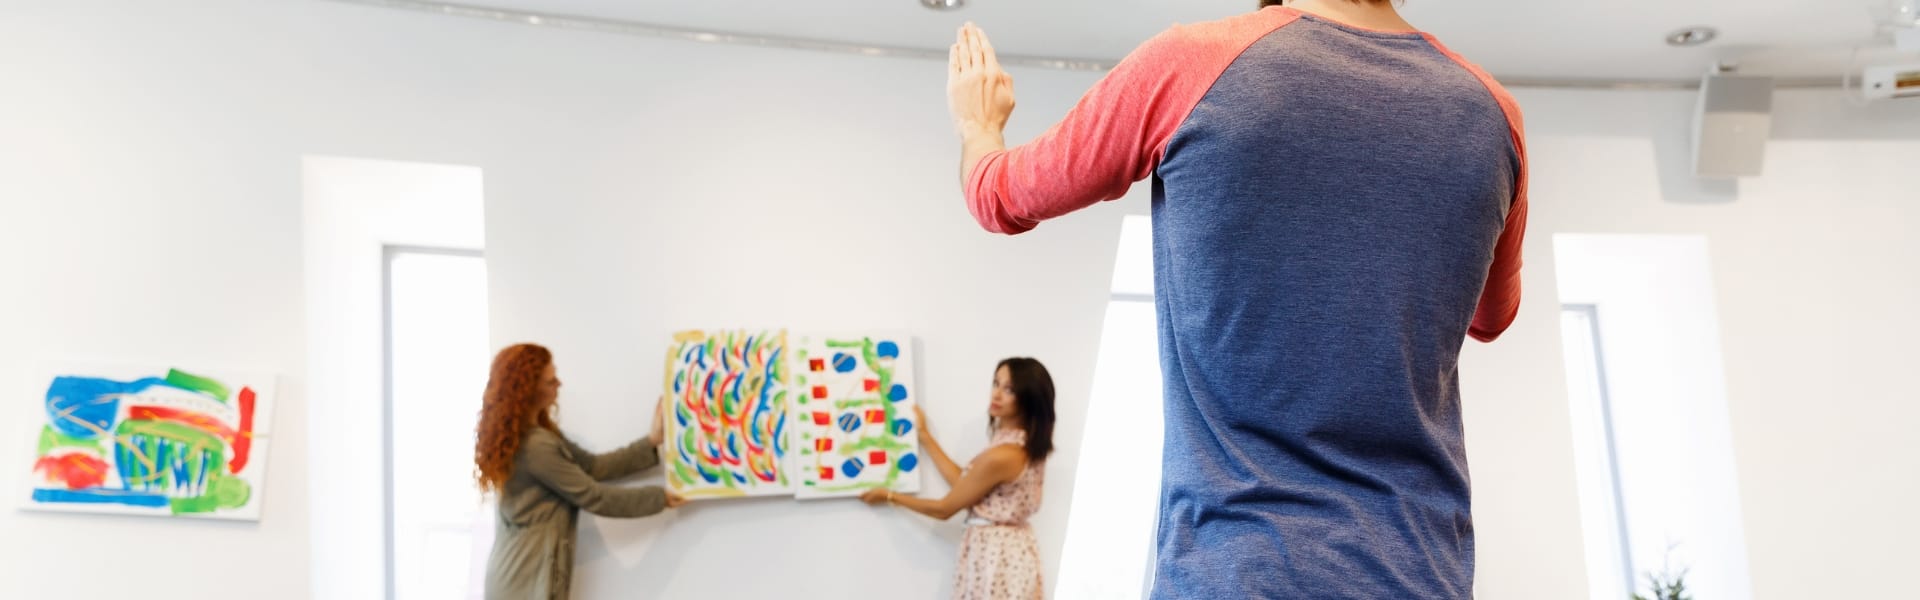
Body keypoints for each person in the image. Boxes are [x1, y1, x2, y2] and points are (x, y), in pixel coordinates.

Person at [943, 0, 1529, 597]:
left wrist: (976, 125)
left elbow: (1000, 195)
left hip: (1236, 570)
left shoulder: (1193, 63)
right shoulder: (1493, 114)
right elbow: (1492, 314)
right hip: (1421, 571)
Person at [476, 343, 688, 599]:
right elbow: (594, 496)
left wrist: (652, 441)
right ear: (528, 390)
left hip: (520, 576)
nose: (559, 384)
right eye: (550, 381)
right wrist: (660, 498)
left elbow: (593, 467)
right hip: (525, 582)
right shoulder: (535, 447)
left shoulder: (537, 436)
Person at [861, 358, 1057, 600]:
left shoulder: (1004, 455)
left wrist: (890, 496)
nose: (996, 394)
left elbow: (944, 509)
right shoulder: (1021, 445)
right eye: (996, 383)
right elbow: (966, 485)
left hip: (997, 558)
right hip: (1010, 552)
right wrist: (925, 437)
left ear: (1029, 398)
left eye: (1010, 389)